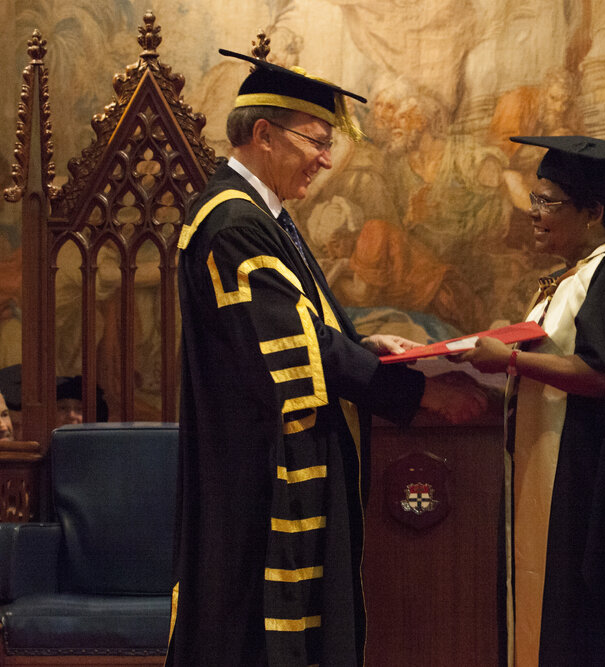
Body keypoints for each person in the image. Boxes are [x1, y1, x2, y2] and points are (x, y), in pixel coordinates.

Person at [168, 50, 485, 666]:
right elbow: (292, 355)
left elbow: (298, 329)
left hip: (273, 458)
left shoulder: (265, 217)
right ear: (264, 134)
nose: (326, 157)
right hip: (259, 472)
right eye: (316, 140)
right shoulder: (233, 222)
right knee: (254, 637)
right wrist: (417, 396)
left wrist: (362, 346)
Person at [457, 135, 605, 665]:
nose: (533, 213)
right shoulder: (567, 282)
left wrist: (513, 361)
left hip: (598, 495)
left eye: (547, 202)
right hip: (563, 483)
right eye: (534, 200)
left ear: (593, 211)